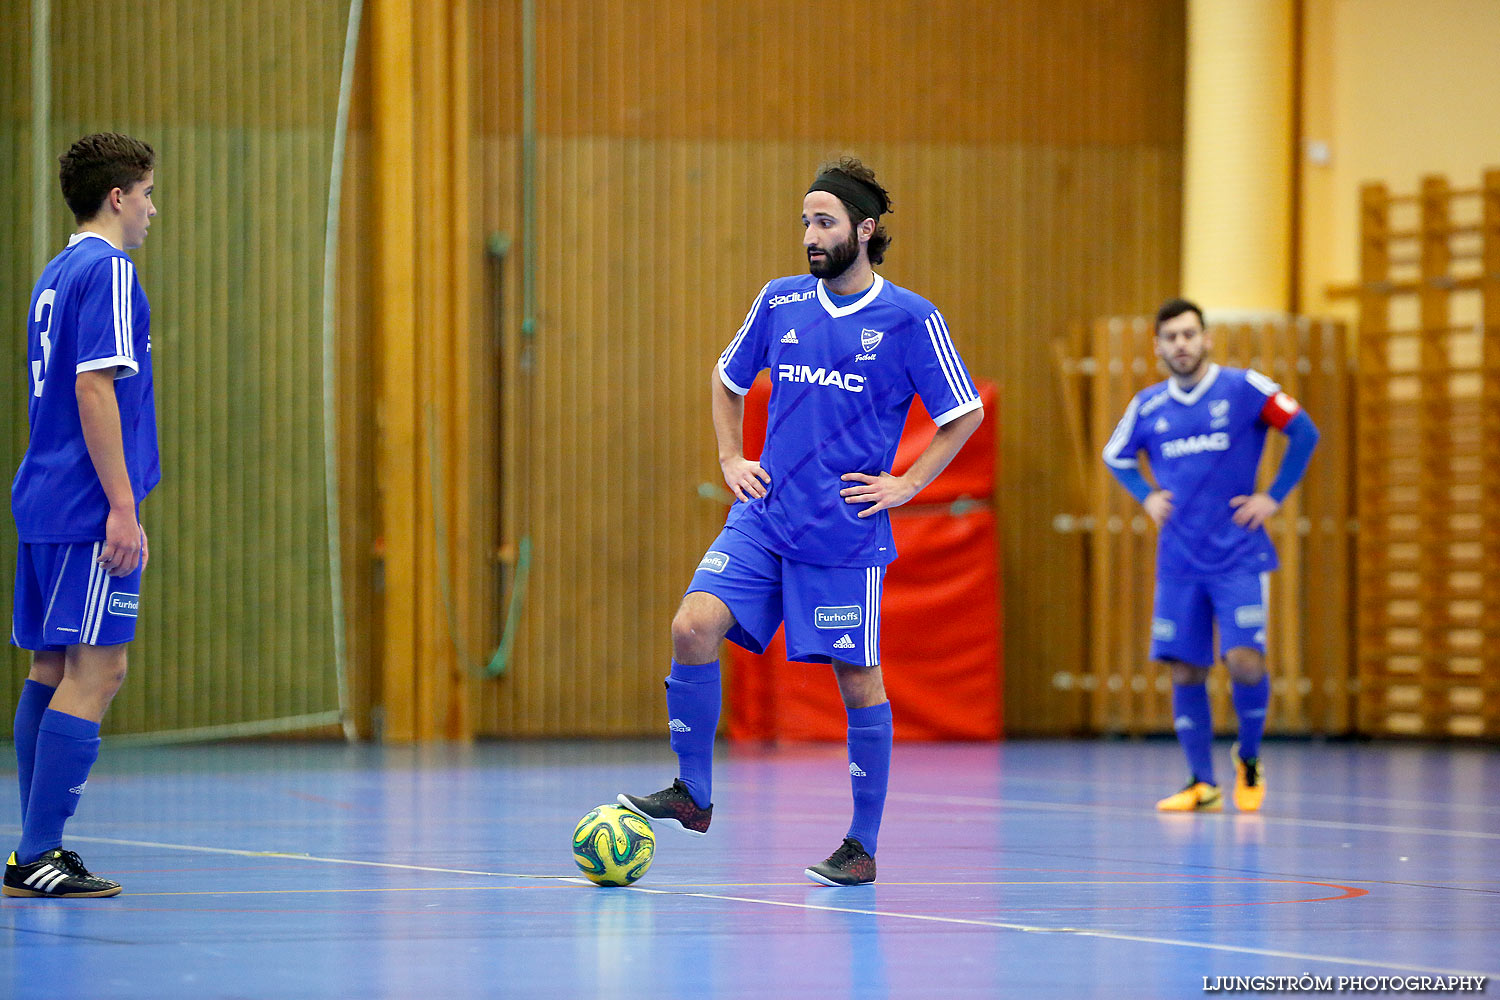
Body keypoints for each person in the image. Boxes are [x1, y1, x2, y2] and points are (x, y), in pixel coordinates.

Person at [619, 157, 984, 886]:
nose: (810, 236)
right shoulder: (780, 302)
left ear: (865, 230)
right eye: (805, 222)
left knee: (859, 683)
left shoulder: (911, 319)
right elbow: (727, 380)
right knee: (692, 626)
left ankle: (861, 845)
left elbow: (963, 412)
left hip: (843, 535)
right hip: (763, 518)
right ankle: (693, 793)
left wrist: (909, 482)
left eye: (825, 222)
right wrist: (731, 457)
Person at [5, 133, 160, 898]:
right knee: (100, 670)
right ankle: (37, 852)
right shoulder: (111, 269)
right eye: (149, 194)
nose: (153, 211)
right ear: (119, 196)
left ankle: (30, 852)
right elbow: (93, 389)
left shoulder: (56, 272)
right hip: (83, 506)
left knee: (52, 667)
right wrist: (123, 509)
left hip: (43, 498)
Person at [1102, 298, 1318, 813]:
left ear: (1205, 339)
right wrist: (1146, 495)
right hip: (1179, 561)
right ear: (1158, 346)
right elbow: (1116, 455)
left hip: (1238, 555)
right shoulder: (1149, 405)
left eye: (1189, 334)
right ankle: (1202, 782)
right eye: (1171, 337)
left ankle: (1248, 758)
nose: (1181, 344)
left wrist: (1273, 497)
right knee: (1184, 671)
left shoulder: (1244, 388)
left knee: (1244, 663)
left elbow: (1304, 431)